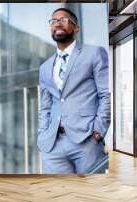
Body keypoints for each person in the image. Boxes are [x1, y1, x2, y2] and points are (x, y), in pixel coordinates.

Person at [37, 8, 111, 174]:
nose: (58, 24)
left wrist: (98, 129)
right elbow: (45, 106)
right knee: (59, 195)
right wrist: (43, 134)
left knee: (90, 194)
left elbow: (106, 94)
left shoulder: (94, 53)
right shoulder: (45, 67)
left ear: (76, 28)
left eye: (63, 20)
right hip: (52, 145)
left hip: (86, 140)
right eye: (54, 21)